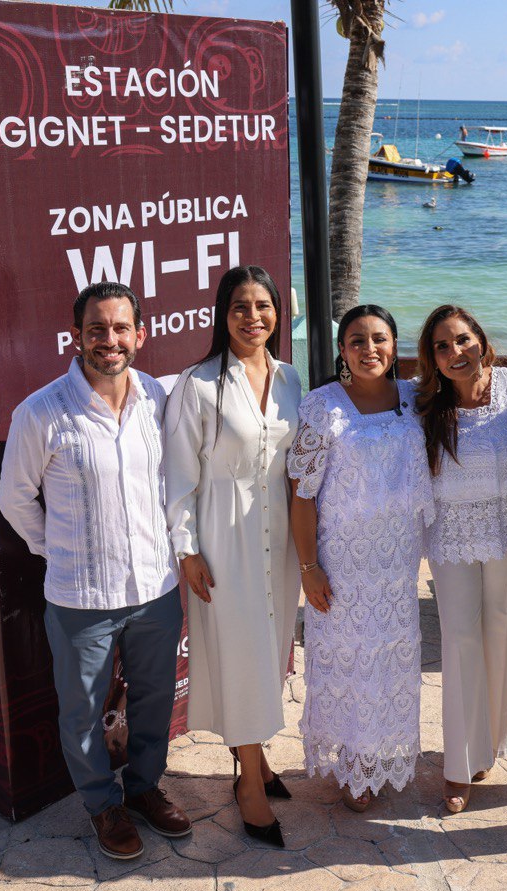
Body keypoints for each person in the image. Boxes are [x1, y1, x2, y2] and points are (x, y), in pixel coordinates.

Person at [0, 281, 190, 861]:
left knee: (155, 699)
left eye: (120, 328)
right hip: (80, 597)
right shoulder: (40, 411)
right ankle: (102, 806)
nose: (109, 340)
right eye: (97, 329)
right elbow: (14, 499)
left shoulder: (159, 398)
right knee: (81, 711)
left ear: (141, 334)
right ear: (76, 335)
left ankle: (144, 788)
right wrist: (56, 553)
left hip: (155, 588)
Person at [163, 265, 302, 848]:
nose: (253, 317)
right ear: (222, 315)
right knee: (241, 650)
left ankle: (257, 755)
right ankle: (247, 779)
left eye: (263, 306)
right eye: (240, 307)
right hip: (225, 540)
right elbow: (177, 479)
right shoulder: (197, 386)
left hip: (280, 542)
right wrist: (187, 549)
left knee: (269, 649)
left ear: (278, 312)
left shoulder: (292, 378)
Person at [287, 304, 432, 812]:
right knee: (348, 661)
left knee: (391, 661)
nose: (369, 349)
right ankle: (353, 765)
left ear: (394, 346)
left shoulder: (417, 398)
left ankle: (377, 758)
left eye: (379, 339)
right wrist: (309, 567)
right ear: (341, 351)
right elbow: (302, 493)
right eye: (356, 340)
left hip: (396, 564)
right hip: (342, 561)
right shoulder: (322, 406)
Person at [413, 305, 507, 814]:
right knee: (461, 640)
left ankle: (491, 742)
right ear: (432, 359)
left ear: (481, 341)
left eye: (462, 340)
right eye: (442, 347)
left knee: (506, 636)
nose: (455, 353)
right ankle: (460, 765)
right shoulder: (425, 404)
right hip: (451, 537)